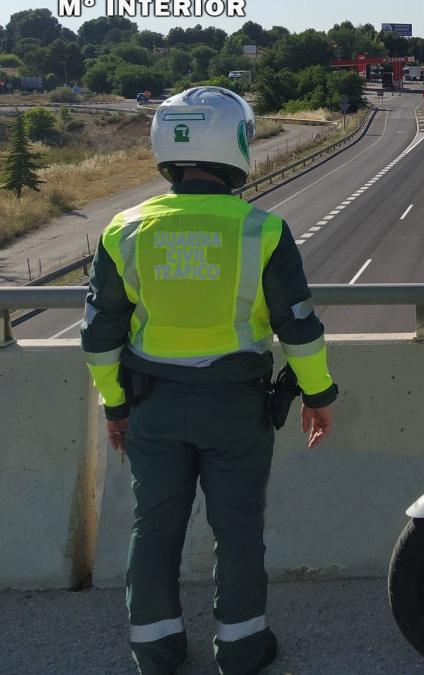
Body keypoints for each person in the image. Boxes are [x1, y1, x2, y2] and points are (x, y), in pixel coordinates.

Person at [80, 86, 338, 675]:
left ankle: (155, 649)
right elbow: (298, 328)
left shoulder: (124, 229)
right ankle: (242, 649)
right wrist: (319, 395)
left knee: (153, 528)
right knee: (239, 529)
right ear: (238, 146)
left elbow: (98, 337)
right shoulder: (263, 230)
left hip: (152, 407)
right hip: (238, 411)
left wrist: (114, 405)